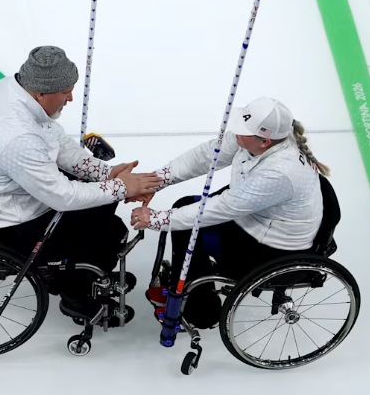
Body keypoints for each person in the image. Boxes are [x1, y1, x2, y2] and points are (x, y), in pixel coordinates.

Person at [0, 46, 163, 322]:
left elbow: (57, 141)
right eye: (66, 93)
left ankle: (83, 272)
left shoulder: (13, 89)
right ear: (43, 93)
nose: (71, 98)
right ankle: (77, 293)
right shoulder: (17, 138)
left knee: (103, 198)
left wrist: (106, 173)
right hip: (8, 218)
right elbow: (61, 197)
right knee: (108, 233)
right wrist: (124, 188)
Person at [130, 96, 329, 328]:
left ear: (264, 142)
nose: (234, 132)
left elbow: (224, 207)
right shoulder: (261, 140)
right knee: (184, 208)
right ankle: (183, 284)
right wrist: (156, 180)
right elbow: (208, 155)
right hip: (258, 216)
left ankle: (201, 311)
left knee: (189, 229)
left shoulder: (280, 172)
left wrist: (156, 219)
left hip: (269, 248)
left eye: (242, 129)